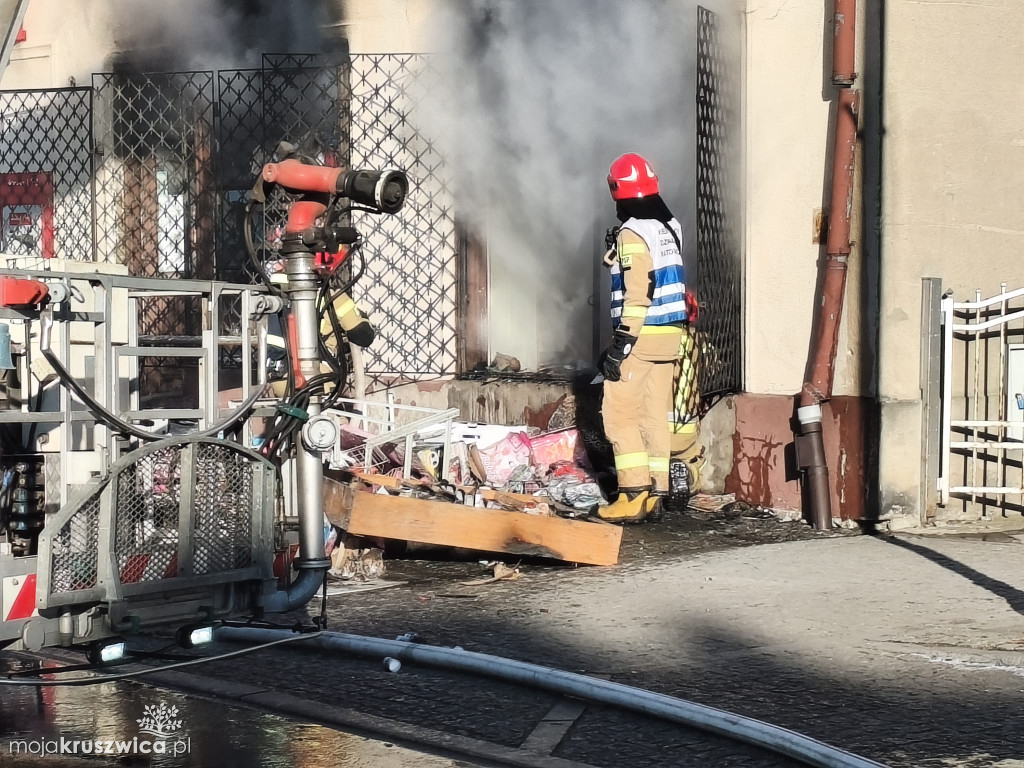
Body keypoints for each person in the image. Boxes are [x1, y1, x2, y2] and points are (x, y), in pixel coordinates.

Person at [598, 153, 689, 523]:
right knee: (654, 415)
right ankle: (657, 490)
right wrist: (614, 253)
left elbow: (639, 290)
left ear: (618, 191)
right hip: (670, 335)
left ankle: (633, 494)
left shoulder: (632, 232)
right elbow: (657, 272)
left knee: (617, 415)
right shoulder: (669, 227)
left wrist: (621, 343)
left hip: (642, 333)